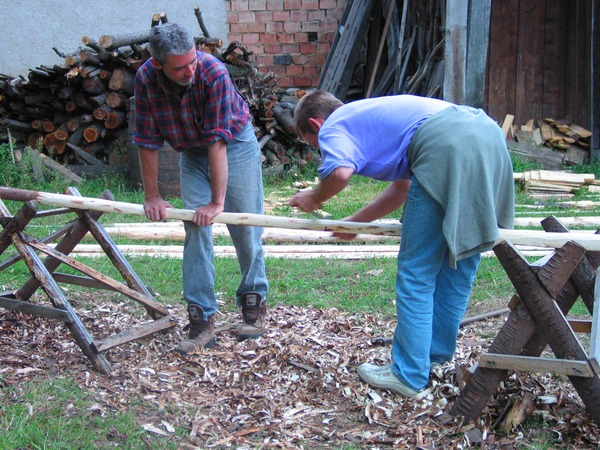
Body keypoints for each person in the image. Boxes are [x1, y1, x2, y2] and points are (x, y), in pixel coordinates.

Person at [289, 90, 514, 397]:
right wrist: (354, 223)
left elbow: (340, 173)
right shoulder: (373, 117)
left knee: (416, 273)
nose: (318, 150)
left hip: (446, 144)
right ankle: (434, 357)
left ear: (315, 125)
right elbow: (403, 189)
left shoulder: (334, 124)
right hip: (488, 136)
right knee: (458, 262)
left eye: (311, 144)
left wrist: (314, 197)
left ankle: (408, 374)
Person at [133, 23, 268, 354]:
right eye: (179, 67)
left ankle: (253, 302)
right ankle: (201, 319)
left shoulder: (213, 72)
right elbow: (147, 142)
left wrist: (217, 202)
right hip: (191, 153)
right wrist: (153, 195)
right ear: (159, 64)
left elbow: (217, 142)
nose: (188, 71)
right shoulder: (146, 79)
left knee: (245, 224)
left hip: (233, 144)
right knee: (195, 226)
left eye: (191, 61)